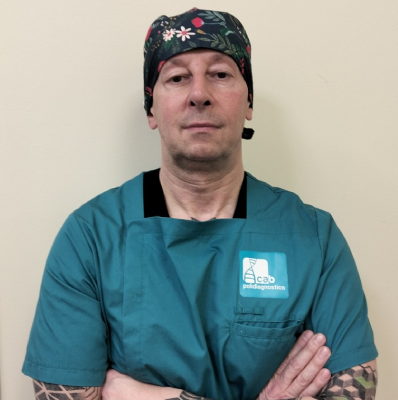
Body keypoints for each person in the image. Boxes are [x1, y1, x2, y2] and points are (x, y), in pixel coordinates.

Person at [23, 8, 378, 400]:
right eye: (177, 78)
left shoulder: (314, 237)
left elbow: (356, 386)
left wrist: (150, 395)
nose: (199, 94)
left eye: (220, 74)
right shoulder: (91, 237)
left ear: (248, 103)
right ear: (151, 108)